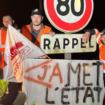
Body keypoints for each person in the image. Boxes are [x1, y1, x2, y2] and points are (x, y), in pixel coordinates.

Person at [0, 15, 26, 105]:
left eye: (9, 20)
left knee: (14, 90)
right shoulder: (0, 32)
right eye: (5, 21)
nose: (7, 22)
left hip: (14, 67)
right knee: (2, 90)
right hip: (2, 68)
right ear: (3, 22)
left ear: (13, 21)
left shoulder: (19, 32)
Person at [82, 29, 105, 104]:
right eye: (102, 35)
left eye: (104, 36)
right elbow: (95, 31)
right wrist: (87, 33)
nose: (103, 37)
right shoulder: (101, 43)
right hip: (102, 72)